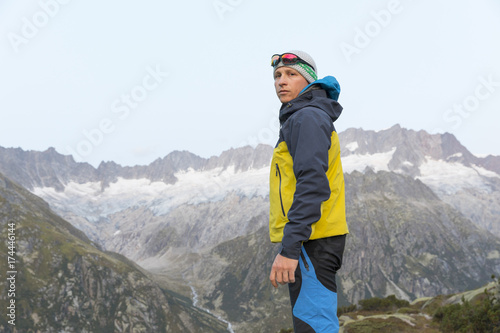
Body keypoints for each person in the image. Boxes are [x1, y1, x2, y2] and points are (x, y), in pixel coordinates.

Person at [268, 50, 349, 333]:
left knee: (315, 326)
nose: (282, 81)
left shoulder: (306, 118)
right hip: (315, 238)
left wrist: (290, 248)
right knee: (314, 323)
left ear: (309, 81)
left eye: (292, 74)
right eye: (277, 75)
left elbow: (312, 184)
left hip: (312, 240)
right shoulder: (303, 117)